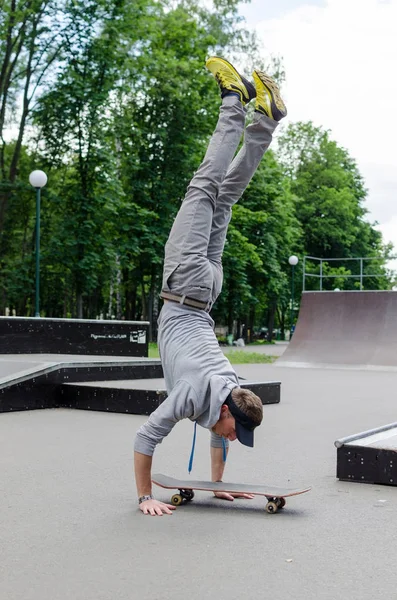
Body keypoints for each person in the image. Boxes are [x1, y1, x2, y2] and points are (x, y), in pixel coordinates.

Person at [134, 56, 287, 516]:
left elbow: (220, 431)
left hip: (206, 291)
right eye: (233, 430)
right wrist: (145, 498)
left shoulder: (232, 388)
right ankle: (232, 101)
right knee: (204, 185)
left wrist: (218, 484)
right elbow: (145, 437)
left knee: (224, 195)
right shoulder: (196, 395)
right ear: (226, 410)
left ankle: (266, 120)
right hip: (185, 284)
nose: (231, 436)